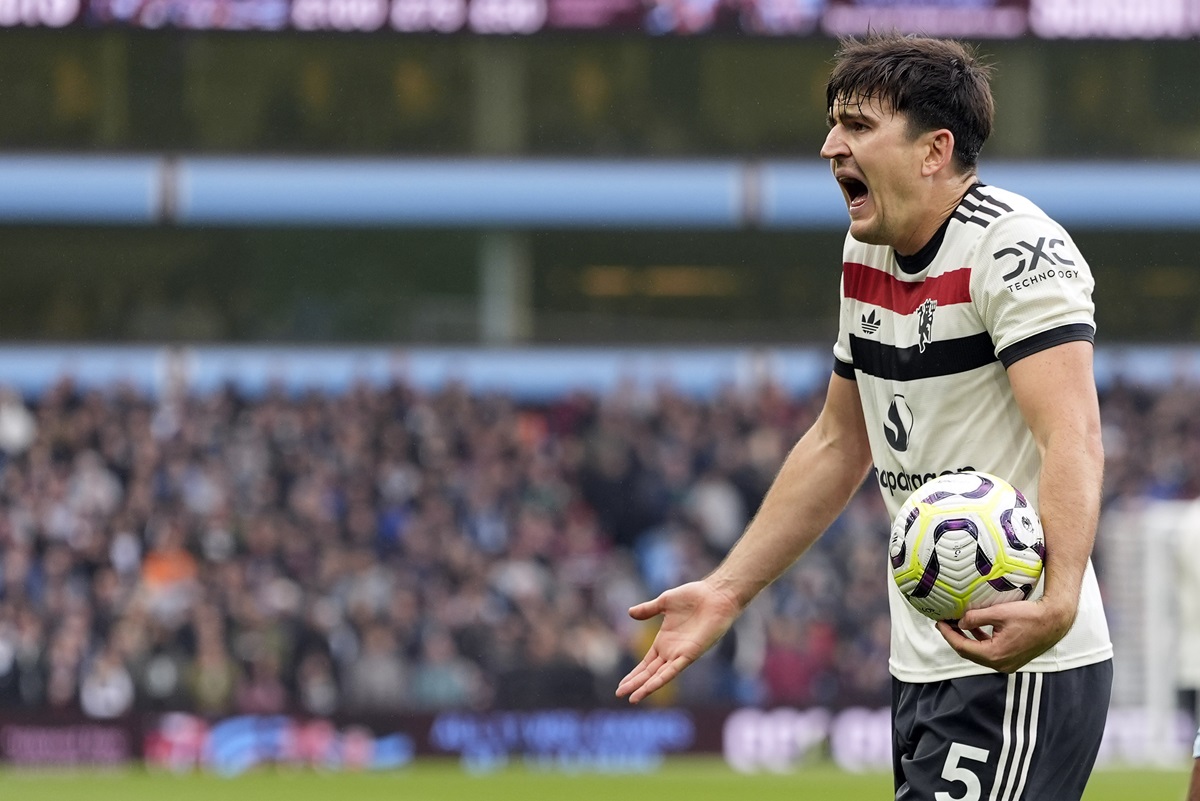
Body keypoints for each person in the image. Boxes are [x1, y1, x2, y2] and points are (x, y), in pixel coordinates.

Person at [616, 33, 1113, 801]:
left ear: (933, 150)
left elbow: (1071, 432)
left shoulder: (1015, 249)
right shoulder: (865, 251)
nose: (829, 146)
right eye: (832, 124)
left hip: (1016, 661)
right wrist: (728, 589)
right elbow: (838, 442)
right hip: (921, 662)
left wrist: (1060, 598)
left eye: (856, 125)